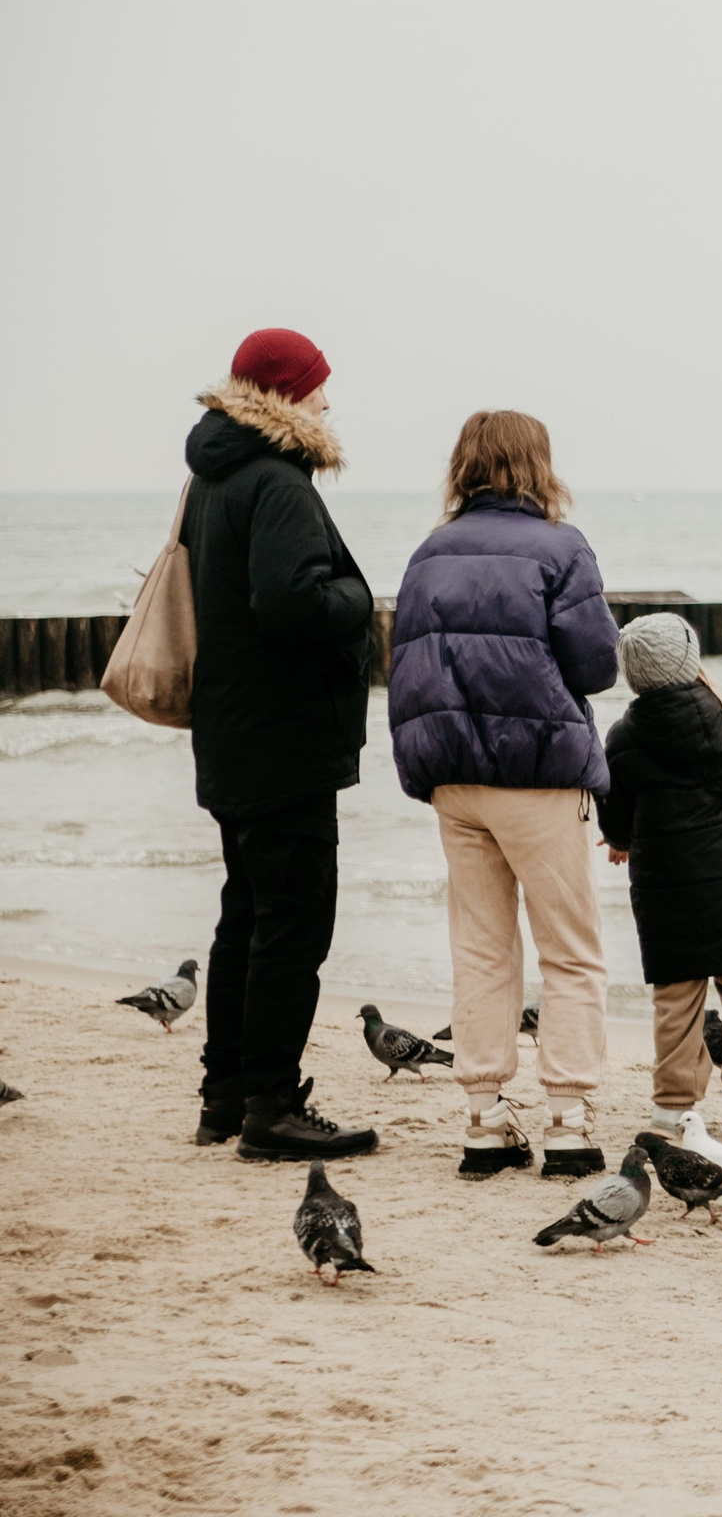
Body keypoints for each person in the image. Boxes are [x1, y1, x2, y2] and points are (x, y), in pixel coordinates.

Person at [386, 411, 621, 1179]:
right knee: (571, 953)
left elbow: (408, 668)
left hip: (453, 778)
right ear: (537, 464)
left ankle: (484, 1120)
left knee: (481, 949)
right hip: (538, 773)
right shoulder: (561, 547)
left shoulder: (428, 553)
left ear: (464, 466)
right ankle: (569, 1121)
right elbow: (594, 667)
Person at [182, 327, 380, 1160]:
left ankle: (224, 1095)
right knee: (293, 928)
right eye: (317, 387)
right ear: (284, 394)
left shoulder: (211, 478)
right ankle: (271, 1105)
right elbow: (290, 603)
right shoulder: (280, 483)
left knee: (246, 917)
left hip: (231, 732)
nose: (328, 401)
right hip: (284, 741)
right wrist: (358, 600)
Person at [597, 614, 722, 1138]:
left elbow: (614, 812)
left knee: (676, 1002)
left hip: (666, 897)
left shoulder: (624, 737)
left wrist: (620, 842)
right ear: (691, 662)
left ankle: (671, 1105)